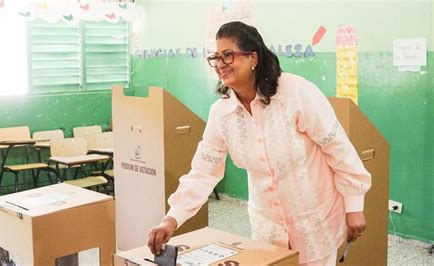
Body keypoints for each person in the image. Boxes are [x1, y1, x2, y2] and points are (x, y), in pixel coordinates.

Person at [147, 21, 371, 265]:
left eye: (228, 55)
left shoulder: (296, 93)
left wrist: (354, 205)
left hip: (315, 219)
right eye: (216, 57)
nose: (220, 64)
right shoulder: (221, 113)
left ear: (253, 58)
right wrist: (172, 218)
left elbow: (337, 147)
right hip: (268, 227)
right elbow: (203, 172)